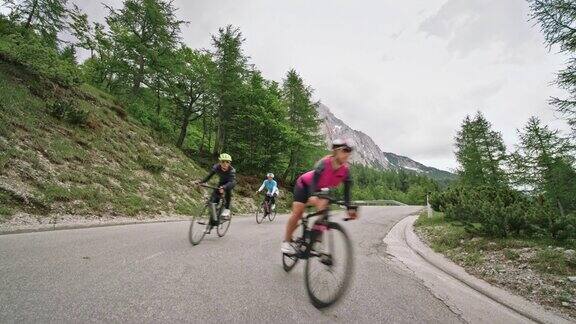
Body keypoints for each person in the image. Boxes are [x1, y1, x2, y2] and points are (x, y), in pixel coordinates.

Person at [281, 139, 358, 254]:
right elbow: (314, 180)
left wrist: (349, 207)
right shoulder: (324, 163)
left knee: (324, 212)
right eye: (345, 150)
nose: (347, 154)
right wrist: (312, 195)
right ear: (335, 151)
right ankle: (286, 240)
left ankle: (315, 241)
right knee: (298, 212)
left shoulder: (345, 170)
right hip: (304, 185)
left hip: (320, 190)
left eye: (349, 151)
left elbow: (347, 192)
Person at [195, 153, 236, 221]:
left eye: (227, 162)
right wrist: (201, 182)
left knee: (228, 191)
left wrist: (224, 187)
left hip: (230, 182)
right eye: (223, 161)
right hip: (221, 182)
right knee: (214, 197)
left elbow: (231, 182)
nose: (225, 164)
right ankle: (215, 212)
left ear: (229, 163)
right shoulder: (216, 167)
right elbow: (209, 176)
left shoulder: (232, 170)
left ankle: (227, 209)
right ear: (220, 162)